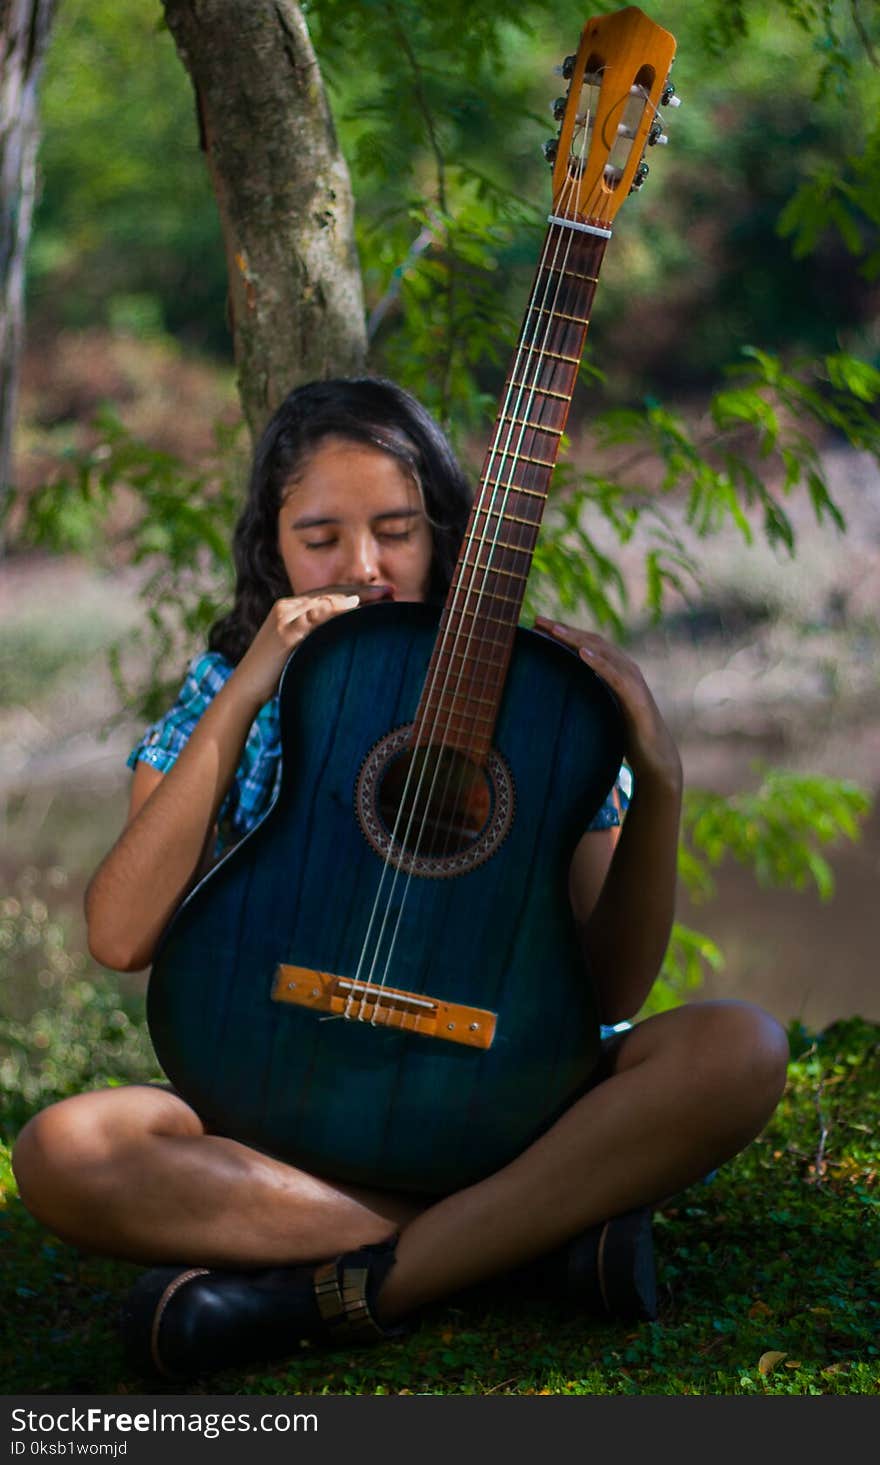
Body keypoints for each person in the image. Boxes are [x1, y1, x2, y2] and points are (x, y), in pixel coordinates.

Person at [12, 377, 789, 1381]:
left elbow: (613, 991)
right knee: (66, 1150)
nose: (365, 566)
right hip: (277, 1113)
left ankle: (351, 1280)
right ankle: (522, 1236)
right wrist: (251, 684)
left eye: (396, 530)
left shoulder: (543, 703)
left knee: (739, 1046)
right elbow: (118, 936)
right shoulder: (228, 689)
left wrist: (663, 775)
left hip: (505, 1098)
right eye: (321, 535)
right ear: (274, 547)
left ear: (446, 535)